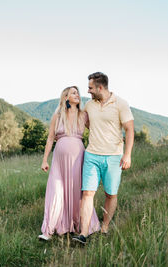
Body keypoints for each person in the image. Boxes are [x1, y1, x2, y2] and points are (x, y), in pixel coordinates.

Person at [72, 72, 134, 245]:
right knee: (87, 193)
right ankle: (83, 233)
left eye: (91, 88)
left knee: (110, 194)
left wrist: (127, 154)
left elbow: (129, 129)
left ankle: (104, 227)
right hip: (92, 155)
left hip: (114, 157)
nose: (88, 91)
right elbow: (82, 120)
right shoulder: (89, 105)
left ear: (100, 87)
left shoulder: (120, 103)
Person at [38, 86, 101, 241]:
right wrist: (45, 160)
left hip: (78, 158)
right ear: (66, 97)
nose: (77, 94)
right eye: (73, 93)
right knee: (55, 192)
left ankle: (79, 226)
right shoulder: (58, 116)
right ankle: (48, 230)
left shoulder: (83, 115)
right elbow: (50, 138)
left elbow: (96, 130)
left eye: (78, 92)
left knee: (76, 191)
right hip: (59, 161)